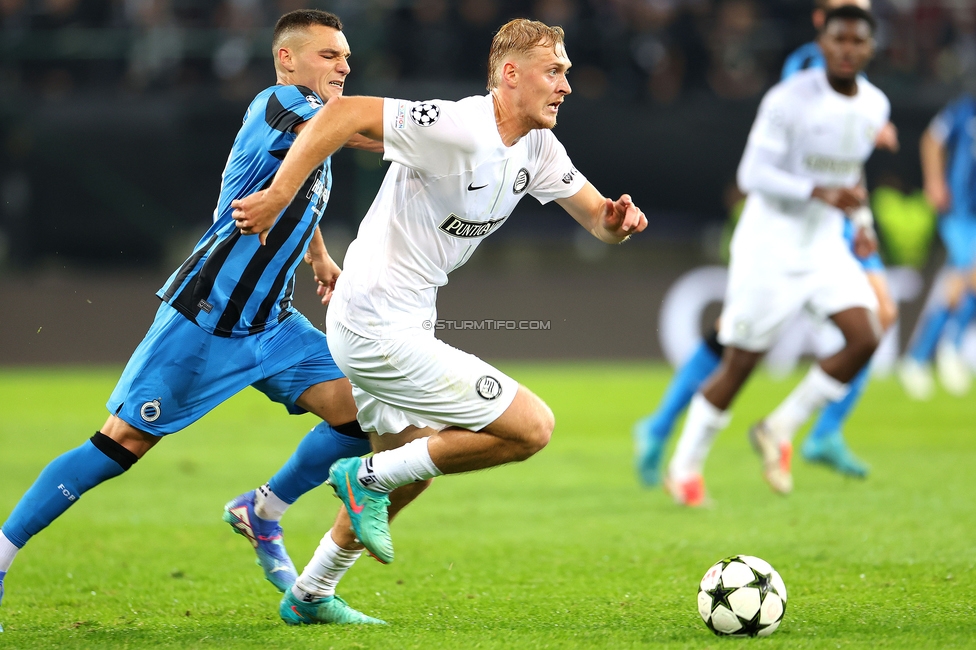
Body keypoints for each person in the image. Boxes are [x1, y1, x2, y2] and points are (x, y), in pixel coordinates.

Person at [230, 18, 647, 625]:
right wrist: (276, 196)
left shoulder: (537, 148)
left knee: (410, 473)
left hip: (405, 319)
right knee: (531, 427)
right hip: (373, 320)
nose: (566, 86)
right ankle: (360, 474)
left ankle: (311, 593)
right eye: (554, 72)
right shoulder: (455, 126)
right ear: (510, 75)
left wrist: (617, 222)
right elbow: (341, 117)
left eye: (566, 74)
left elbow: (597, 222)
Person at [0, 9, 403, 627]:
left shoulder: (310, 125)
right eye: (329, 55)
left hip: (273, 324)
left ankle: (262, 510)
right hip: (206, 319)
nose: (344, 66)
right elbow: (358, 134)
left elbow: (296, 185)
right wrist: (454, 125)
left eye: (347, 57)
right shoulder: (278, 104)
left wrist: (319, 256)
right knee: (120, 444)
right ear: (288, 59)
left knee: (362, 415)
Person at [633, 0, 898, 494]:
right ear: (822, 41)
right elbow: (752, 175)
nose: (846, 49)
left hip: (822, 244)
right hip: (770, 244)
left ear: (871, 48)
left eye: (857, 40)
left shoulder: (874, 105)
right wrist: (819, 192)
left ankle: (780, 427)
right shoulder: (789, 97)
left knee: (867, 334)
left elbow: (850, 171)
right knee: (740, 364)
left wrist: (860, 220)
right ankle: (685, 468)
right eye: (838, 38)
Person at [897, 93, 976, 399]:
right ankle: (947, 349)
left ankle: (918, 358)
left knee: (961, 282)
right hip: (960, 211)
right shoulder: (965, 111)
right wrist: (934, 181)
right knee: (967, 275)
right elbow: (932, 139)